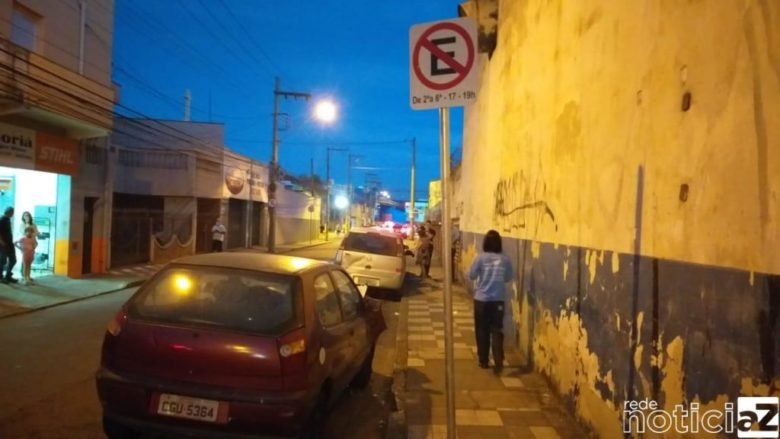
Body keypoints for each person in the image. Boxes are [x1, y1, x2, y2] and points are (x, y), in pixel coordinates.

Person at [468, 230, 513, 373]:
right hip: (498, 300)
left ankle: (483, 361)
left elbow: (472, 275)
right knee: (496, 329)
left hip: (481, 300)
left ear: (486, 243)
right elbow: (508, 278)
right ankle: (498, 358)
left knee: (482, 330)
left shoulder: (480, 258)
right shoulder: (505, 260)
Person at [0, 207, 18, 284]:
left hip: (10, 243)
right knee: (2, 261)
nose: (13, 214)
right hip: (3, 244)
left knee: (13, 260)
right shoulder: (2, 220)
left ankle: (8, 276)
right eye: (12, 212)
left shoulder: (8, 220)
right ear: (8, 212)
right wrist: (1, 242)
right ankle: (0, 277)